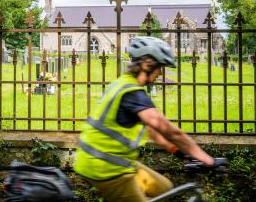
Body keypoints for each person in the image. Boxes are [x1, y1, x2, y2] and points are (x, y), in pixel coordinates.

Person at [73, 36, 219, 202]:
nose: (160, 73)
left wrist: (178, 152)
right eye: (160, 68)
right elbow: (169, 130)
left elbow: (152, 131)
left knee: (164, 189)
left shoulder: (125, 85)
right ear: (147, 65)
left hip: (113, 162)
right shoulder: (133, 94)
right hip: (105, 167)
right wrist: (207, 159)